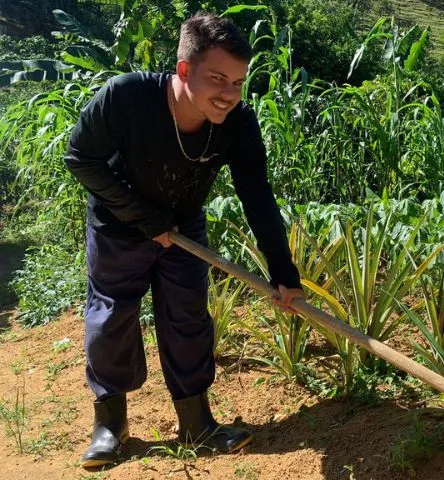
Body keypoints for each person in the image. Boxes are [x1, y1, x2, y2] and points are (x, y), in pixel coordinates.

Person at [64, 12, 305, 468]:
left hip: (184, 227)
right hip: (119, 227)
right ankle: (110, 426)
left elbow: (258, 197)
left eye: (237, 82)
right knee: (110, 319)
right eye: (218, 79)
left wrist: (283, 272)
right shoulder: (126, 97)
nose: (229, 95)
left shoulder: (238, 123)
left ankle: (197, 422)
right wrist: (141, 216)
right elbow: (80, 158)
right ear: (183, 70)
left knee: (188, 318)